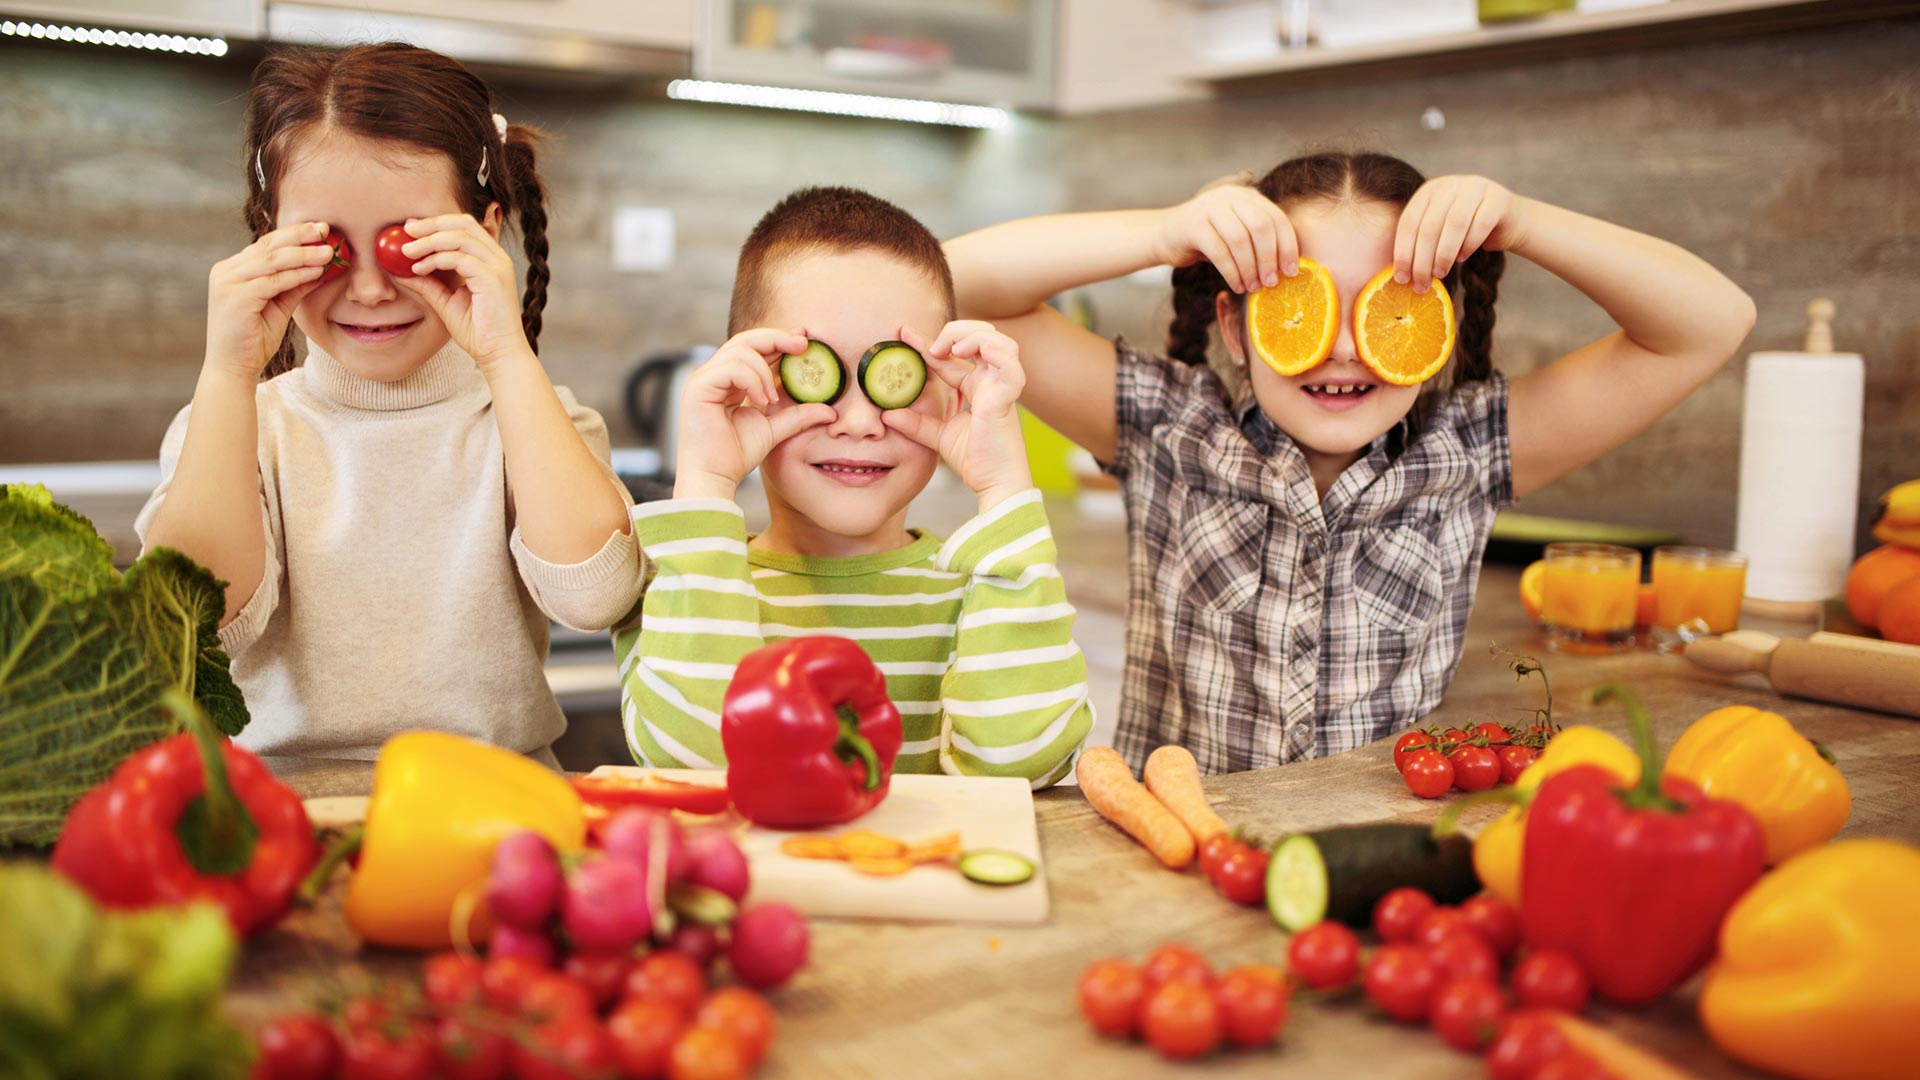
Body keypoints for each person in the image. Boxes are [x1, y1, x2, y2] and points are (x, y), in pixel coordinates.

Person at [943, 152, 1756, 773]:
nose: (1342, 347)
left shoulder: (1468, 448)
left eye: (1389, 306)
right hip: (1179, 855)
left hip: (1381, 868)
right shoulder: (1168, 424)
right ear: (1236, 326)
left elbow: (1712, 321)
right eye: (1303, 302)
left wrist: (1524, 222)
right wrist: (1163, 232)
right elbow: (948, 281)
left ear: (1434, 324)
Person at [137, 44, 643, 761]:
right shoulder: (229, 431)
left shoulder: (536, 422)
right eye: (326, 248)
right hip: (283, 829)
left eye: (407, 246)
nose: (370, 291)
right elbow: (193, 628)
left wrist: (505, 355)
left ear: (485, 233)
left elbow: (595, 597)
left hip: (495, 815)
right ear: (268, 240)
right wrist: (227, 372)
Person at [616, 187, 1092, 787]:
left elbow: (1024, 765)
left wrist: (1004, 487)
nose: (861, 421)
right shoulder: (683, 581)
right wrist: (707, 482)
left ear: (952, 386)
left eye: (894, 372)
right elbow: (694, 765)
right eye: (817, 373)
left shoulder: (989, 585)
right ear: (747, 379)